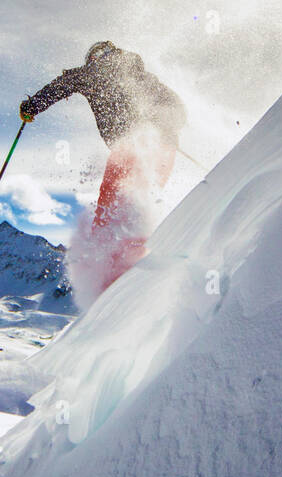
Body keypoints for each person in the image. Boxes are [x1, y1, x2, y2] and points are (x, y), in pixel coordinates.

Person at [20, 41, 186, 295]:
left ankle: (111, 272)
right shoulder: (142, 75)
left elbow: (63, 84)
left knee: (112, 203)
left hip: (132, 145)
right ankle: (138, 257)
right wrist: (163, 124)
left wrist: (32, 106)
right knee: (141, 200)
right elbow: (178, 109)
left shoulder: (93, 73)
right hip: (164, 149)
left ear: (97, 58)